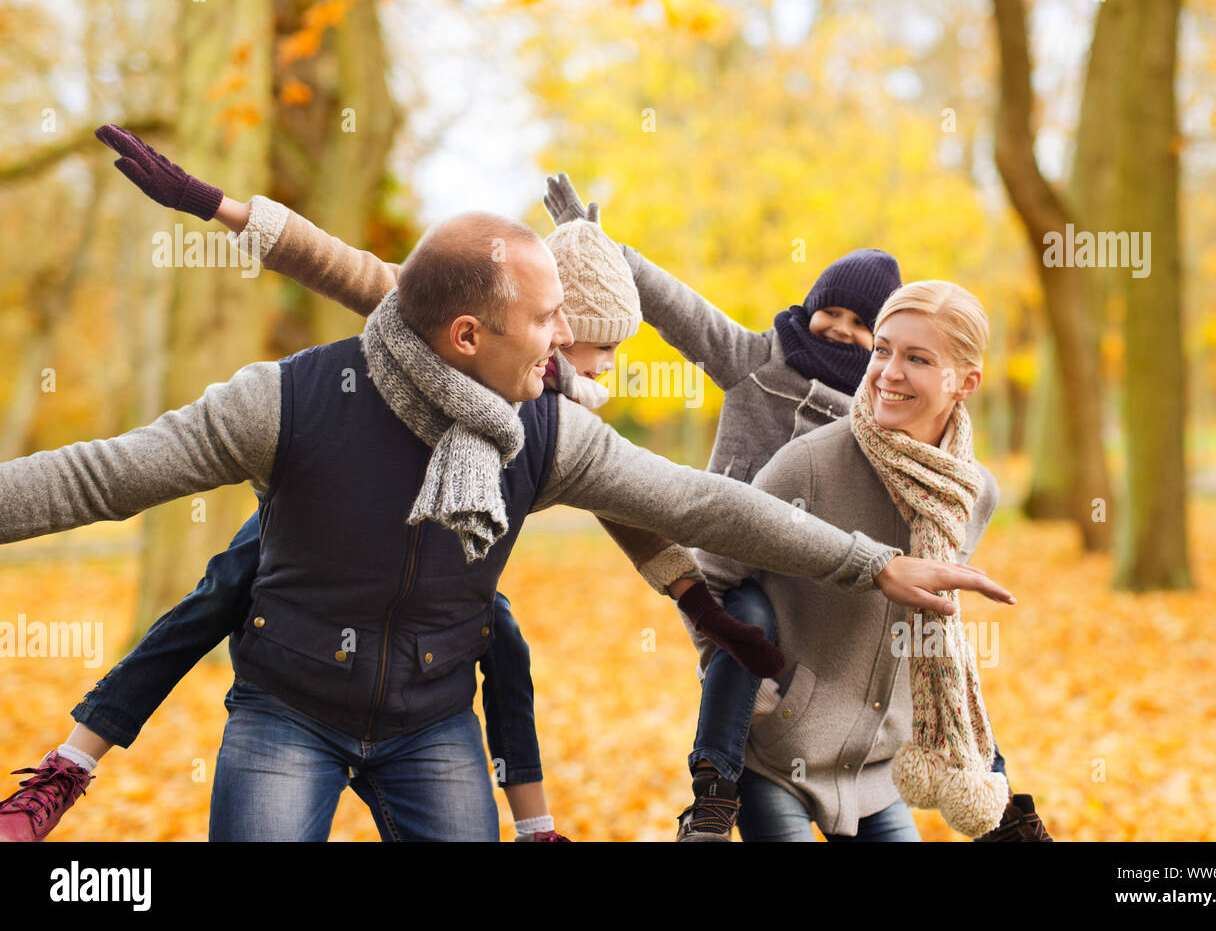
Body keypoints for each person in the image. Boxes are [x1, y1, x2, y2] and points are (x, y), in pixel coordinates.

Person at [0, 142, 1012, 842]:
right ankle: (76, 756)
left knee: (500, 638)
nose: (569, 349)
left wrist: (871, 564)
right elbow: (98, 474)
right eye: (548, 323)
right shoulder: (299, 394)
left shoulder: (549, 425)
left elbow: (698, 507)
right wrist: (222, 205)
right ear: (468, 336)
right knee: (233, 572)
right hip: (291, 688)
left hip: (432, 706)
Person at [541, 176, 1051, 842]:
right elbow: (680, 311)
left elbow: (921, 623)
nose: (840, 333)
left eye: (861, 328)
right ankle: (713, 786)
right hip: (737, 573)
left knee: (940, 637)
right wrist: (605, 254)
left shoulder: (923, 460)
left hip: (841, 656)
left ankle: (997, 798)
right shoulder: (764, 368)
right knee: (745, 618)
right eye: (828, 315)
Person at [695, 280, 1046, 840]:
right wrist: (742, 678)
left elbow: (925, 628)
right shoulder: (807, 464)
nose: (888, 372)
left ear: (966, 382)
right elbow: (709, 573)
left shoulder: (973, 492)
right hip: (777, 758)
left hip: (876, 770)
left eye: (918, 358)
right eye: (882, 349)